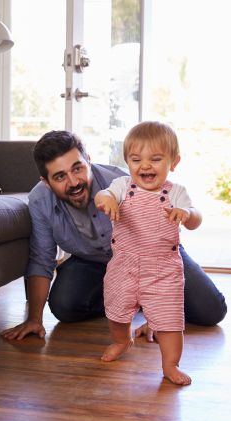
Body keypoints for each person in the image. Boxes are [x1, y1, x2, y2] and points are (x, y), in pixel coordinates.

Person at [0, 129, 227, 347]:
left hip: (154, 255)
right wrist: (34, 319)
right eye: (60, 176)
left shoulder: (123, 181)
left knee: (210, 310)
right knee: (64, 307)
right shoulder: (39, 201)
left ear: (88, 160)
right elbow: (42, 259)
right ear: (46, 182)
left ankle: (144, 298)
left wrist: (157, 314)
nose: (73, 182)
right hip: (91, 261)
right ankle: (127, 300)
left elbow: (153, 239)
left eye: (77, 169)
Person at [94, 121, 196, 385]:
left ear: (174, 162)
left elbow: (196, 218)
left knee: (171, 321)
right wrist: (105, 199)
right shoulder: (122, 186)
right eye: (136, 159)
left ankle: (170, 365)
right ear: (127, 161)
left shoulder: (176, 193)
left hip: (163, 271)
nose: (145, 165)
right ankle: (122, 340)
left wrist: (187, 215)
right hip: (123, 267)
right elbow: (103, 194)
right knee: (116, 312)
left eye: (156, 159)